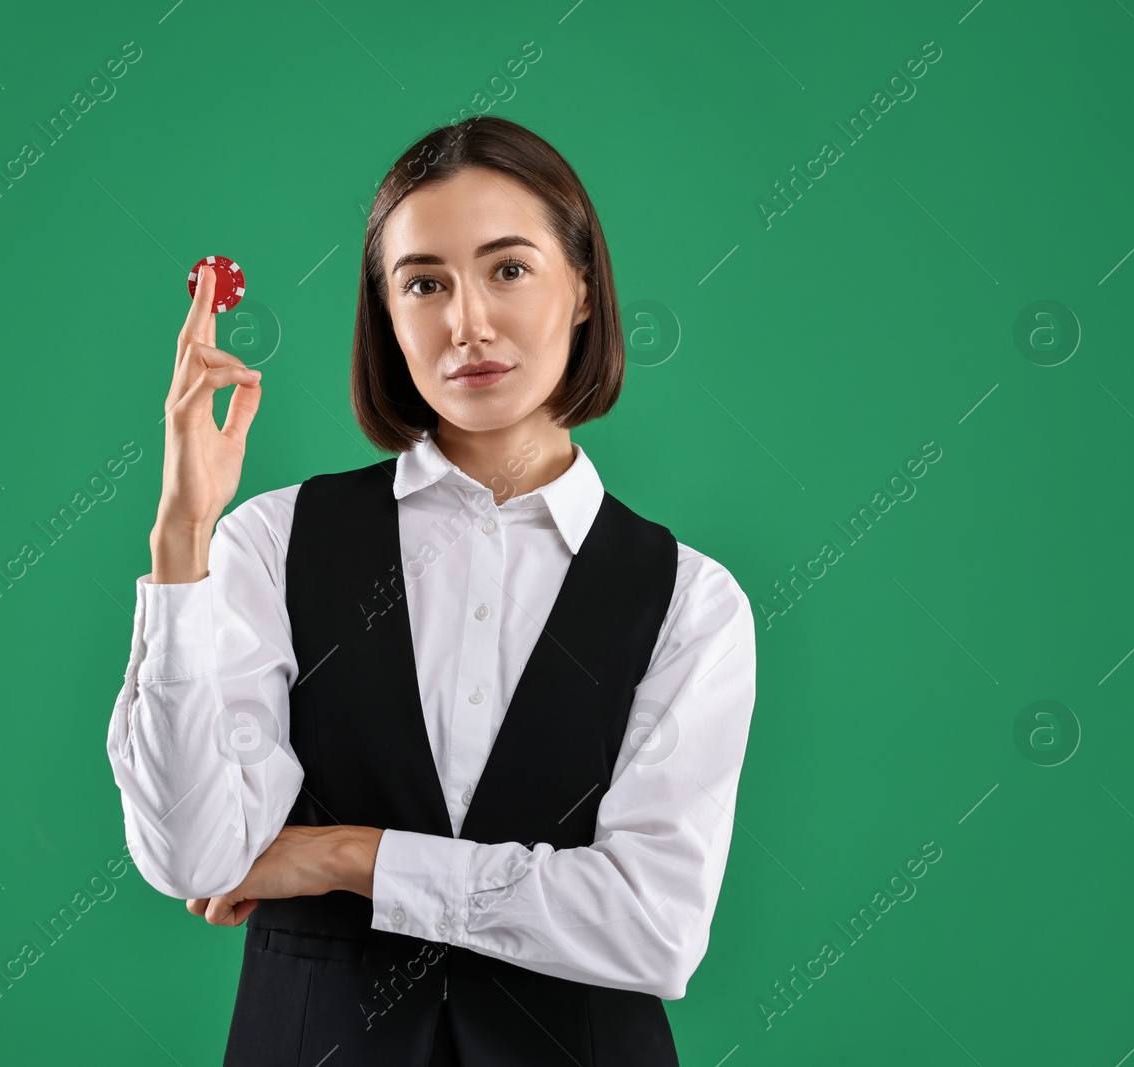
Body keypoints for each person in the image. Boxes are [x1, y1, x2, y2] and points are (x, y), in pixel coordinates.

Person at [106, 114, 757, 1066]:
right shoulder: (273, 543)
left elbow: (654, 927)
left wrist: (345, 854)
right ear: (388, 313)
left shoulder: (690, 602)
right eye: (425, 284)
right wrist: (180, 540)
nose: (469, 325)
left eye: (509, 269)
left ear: (582, 287)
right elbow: (195, 857)